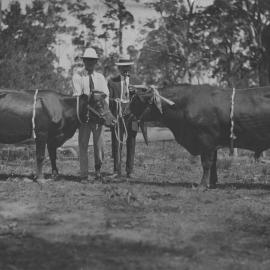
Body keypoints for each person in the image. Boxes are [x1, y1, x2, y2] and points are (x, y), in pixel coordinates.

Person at [72, 47, 109, 181]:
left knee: (100, 146)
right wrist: (92, 96)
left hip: (98, 116)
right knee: (83, 144)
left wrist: (103, 113)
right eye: (87, 60)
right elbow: (78, 96)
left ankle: (98, 171)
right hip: (85, 117)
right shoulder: (78, 76)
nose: (90, 63)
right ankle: (84, 174)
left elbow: (106, 96)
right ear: (84, 61)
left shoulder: (100, 77)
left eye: (92, 61)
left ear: (95, 62)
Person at [108, 56, 147, 178]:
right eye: (123, 68)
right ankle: (116, 171)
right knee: (116, 143)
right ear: (119, 68)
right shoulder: (112, 82)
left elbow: (143, 99)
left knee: (131, 142)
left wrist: (136, 93)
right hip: (118, 115)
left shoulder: (137, 81)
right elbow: (107, 101)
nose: (126, 70)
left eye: (128, 67)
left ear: (130, 68)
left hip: (132, 116)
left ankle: (130, 171)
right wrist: (115, 101)